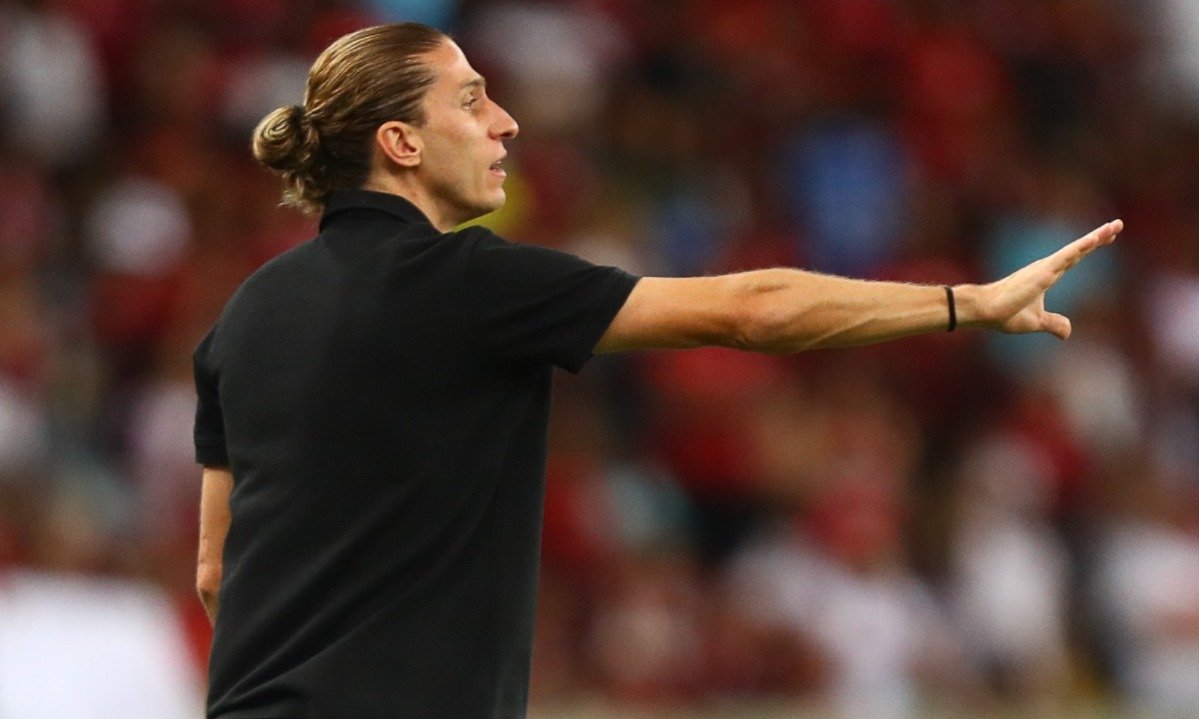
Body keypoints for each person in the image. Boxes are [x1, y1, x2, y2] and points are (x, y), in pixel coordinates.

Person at [193, 22, 1122, 719]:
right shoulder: (464, 281)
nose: (505, 123)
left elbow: (213, 571)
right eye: (472, 100)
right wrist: (965, 302)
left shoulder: (243, 317)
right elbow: (751, 310)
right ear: (400, 142)